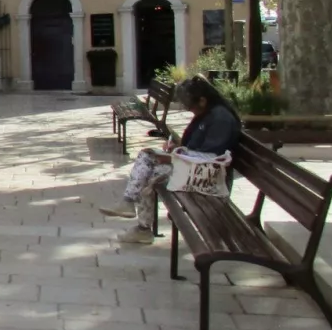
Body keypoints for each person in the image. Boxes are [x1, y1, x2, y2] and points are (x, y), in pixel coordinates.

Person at [102, 75, 241, 243]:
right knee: (147, 158)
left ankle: (138, 220)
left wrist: (174, 157)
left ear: (202, 101)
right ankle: (133, 211)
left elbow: (210, 157)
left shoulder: (220, 119)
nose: (190, 110)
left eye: (190, 107)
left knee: (150, 174)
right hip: (195, 169)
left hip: (208, 177)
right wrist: (176, 150)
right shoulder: (208, 112)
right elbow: (196, 148)